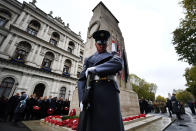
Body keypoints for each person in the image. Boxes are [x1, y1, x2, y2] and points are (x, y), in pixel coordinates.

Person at [77, 30, 124, 131]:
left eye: (103, 43)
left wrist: (95, 69)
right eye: (99, 43)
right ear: (95, 44)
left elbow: (119, 64)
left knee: (111, 123)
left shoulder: (113, 55)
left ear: (107, 44)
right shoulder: (89, 59)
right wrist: (81, 100)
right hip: (93, 92)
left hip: (109, 92)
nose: (101, 46)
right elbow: (81, 80)